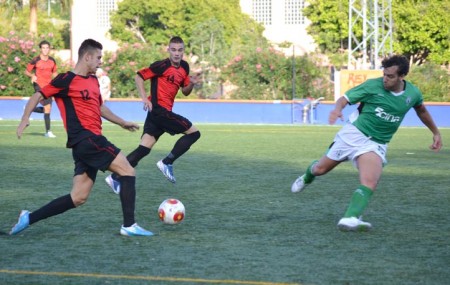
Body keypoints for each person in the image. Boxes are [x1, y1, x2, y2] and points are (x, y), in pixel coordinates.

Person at [11, 39, 153, 237]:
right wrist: (25, 119)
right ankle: (129, 225)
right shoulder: (65, 80)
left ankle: (28, 218)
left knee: (78, 197)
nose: (100, 62)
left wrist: (122, 122)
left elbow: (99, 107)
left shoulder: (93, 80)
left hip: (87, 143)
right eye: (98, 58)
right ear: (87, 57)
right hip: (86, 139)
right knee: (127, 170)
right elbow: (38, 96)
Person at [291, 55, 442, 232]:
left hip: (375, 143)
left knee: (370, 181)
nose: (385, 79)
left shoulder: (413, 94)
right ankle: (308, 176)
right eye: (384, 74)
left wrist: (435, 132)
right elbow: (344, 99)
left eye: (390, 76)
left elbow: (421, 111)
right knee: (320, 169)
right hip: (353, 135)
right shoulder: (372, 86)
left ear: (402, 76)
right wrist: (337, 110)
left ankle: (350, 217)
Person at [105, 36, 200, 193]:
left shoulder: (184, 67)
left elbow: (185, 91)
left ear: (183, 51)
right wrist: (144, 99)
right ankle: (167, 162)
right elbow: (139, 77)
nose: (177, 53)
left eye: (180, 50)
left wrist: (192, 83)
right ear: (168, 50)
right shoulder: (161, 65)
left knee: (143, 149)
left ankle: (115, 178)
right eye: (173, 50)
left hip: (160, 113)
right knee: (194, 133)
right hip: (158, 111)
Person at [25, 40, 58, 138]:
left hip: (49, 87)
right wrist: (32, 76)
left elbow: (55, 73)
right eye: (43, 48)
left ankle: (28, 109)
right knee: (47, 108)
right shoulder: (35, 60)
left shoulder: (52, 60)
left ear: (49, 49)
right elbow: (26, 71)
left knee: (47, 109)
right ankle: (48, 131)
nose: (45, 50)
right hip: (38, 85)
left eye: (47, 48)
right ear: (40, 49)